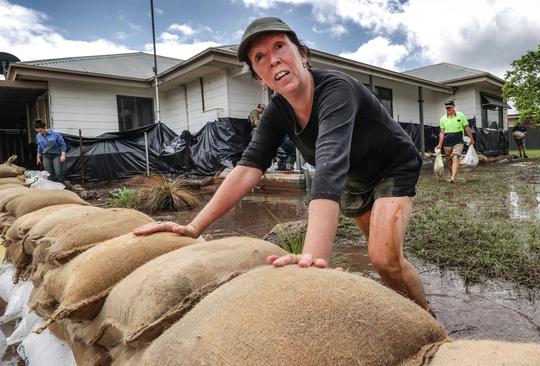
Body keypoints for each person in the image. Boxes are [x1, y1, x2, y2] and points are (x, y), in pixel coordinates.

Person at [134, 17, 431, 313]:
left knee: (384, 258)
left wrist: (311, 257)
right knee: (381, 257)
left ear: (303, 55)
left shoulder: (337, 90)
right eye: (260, 57)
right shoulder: (277, 111)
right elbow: (248, 167)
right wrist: (194, 227)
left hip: (390, 166)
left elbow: (329, 166)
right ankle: (407, 310)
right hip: (354, 180)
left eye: (279, 46)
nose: (273, 60)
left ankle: (426, 317)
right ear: (259, 78)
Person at [436, 100, 474, 183]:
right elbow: (442, 133)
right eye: (447, 108)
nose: (448, 109)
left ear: (453, 107)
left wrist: (471, 138)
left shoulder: (461, 115)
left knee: (455, 156)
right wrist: (439, 144)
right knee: (449, 160)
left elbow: (467, 128)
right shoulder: (442, 119)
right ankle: (452, 175)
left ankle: (453, 177)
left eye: (449, 107)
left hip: (458, 141)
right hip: (447, 142)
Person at [33, 119, 67, 183]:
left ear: (45, 127)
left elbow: (63, 145)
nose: (40, 132)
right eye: (38, 131)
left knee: (58, 172)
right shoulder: (38, 136)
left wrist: (63, 155)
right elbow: (39, 147)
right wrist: (38, 157)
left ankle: (62, 188)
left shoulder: (56, 135)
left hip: (56, 155)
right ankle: (52, 189)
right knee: (49, 173)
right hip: (46, 156)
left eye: (40, 130)